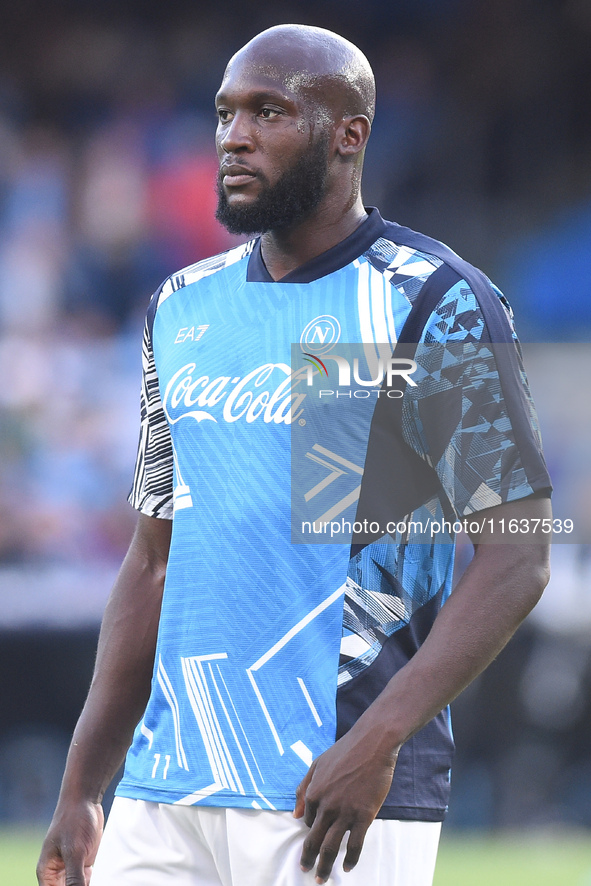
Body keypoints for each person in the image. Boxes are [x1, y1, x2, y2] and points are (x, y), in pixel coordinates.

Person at [37, 23, 552, 886]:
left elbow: (517, 555)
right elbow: (152, 562)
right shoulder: (181, 307)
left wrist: (380, 739)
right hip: (166, 794)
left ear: (348, 132)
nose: (234, 135)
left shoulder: (428, 298)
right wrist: (86, 783)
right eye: (225, 112)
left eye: (268, 112)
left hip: (328, 790)